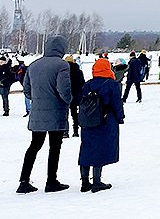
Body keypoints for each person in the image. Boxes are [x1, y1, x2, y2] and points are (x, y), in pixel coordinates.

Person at [17, 35, 72, 193]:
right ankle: (51, 181)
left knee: (34, 146)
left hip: (37, 113)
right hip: (56, 112)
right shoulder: (62, 65)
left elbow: (26, 90)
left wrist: (39, 100)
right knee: (54, 147)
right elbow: (64, 90)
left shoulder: (33, 65)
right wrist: (69, 101)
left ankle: (24, 180)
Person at [78, 58, 124, 193]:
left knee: (86, 148)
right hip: (105, 121)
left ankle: (85, 182)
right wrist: (120, 118)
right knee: (100, 149)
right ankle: (97, 182)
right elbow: (117, 104)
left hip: (87, 121)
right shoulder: (112, 84)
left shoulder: (88, 84)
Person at [64, 55, 85, 137]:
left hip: (66, 95)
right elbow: (82, 84)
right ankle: (76, 131)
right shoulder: (79, 71)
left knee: (65, 114)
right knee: (75, 114)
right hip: (76, 95)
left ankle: (65, 131)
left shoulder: (63, 72)